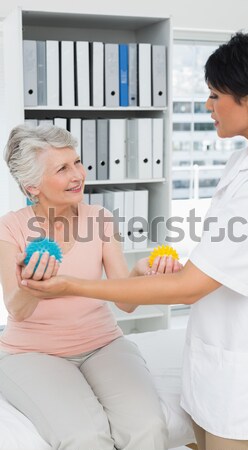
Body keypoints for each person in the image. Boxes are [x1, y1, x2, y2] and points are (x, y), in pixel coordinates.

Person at [21, 30, 248, 450]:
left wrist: (71, 286)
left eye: (214, 95)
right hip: (215, 365)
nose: (207, 107)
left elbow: (189, 289)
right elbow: (218, 261)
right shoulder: (243, 159)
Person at [0, 124, 182, 450]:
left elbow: (125, 301)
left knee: (150, 428)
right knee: (85, 438)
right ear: (32, 186)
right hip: (32, 352)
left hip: (103, 344)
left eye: (77, 162)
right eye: (62, 168)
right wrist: (33, 284)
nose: (78, 175)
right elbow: (16, 308)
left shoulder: (99, 218)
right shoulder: (11, 227)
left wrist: (141, 273)